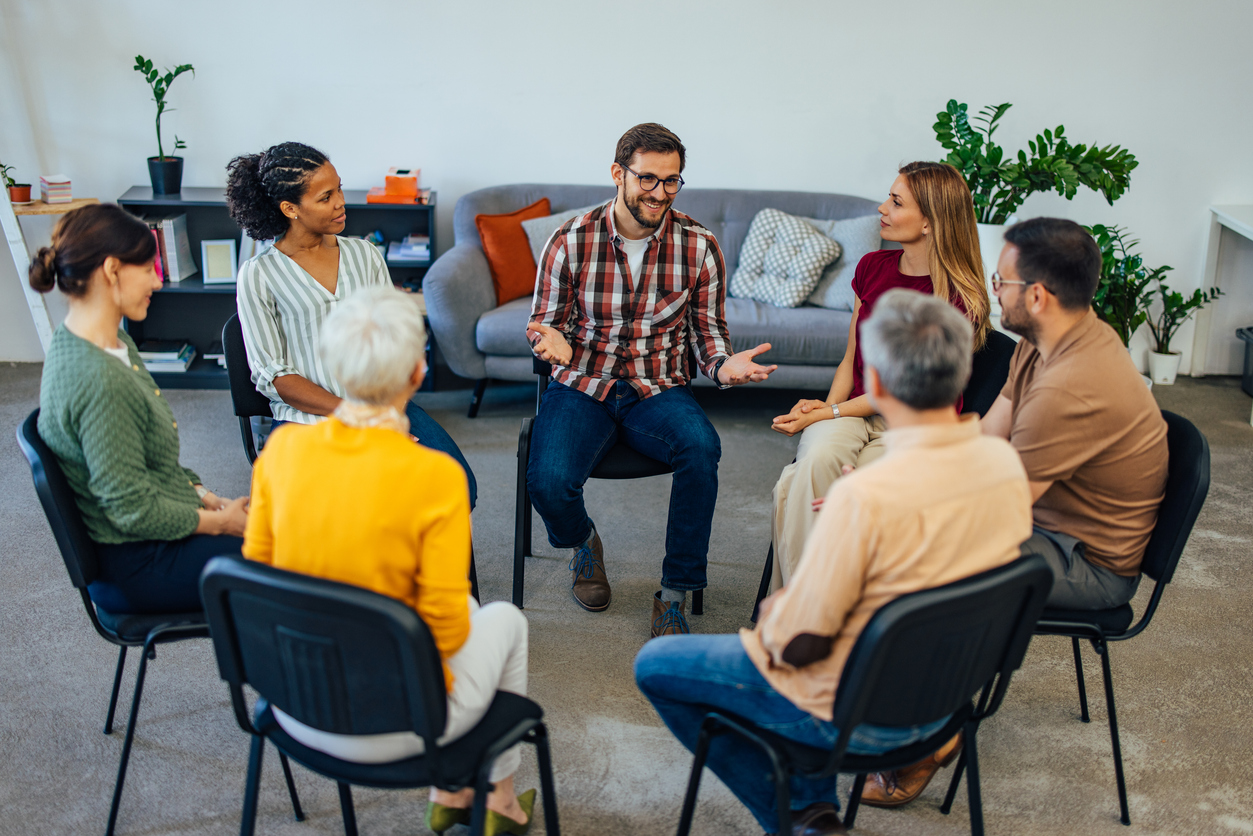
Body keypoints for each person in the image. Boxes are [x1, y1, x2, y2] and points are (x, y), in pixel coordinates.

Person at [635, 290, 1032, 836]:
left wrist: (777, 612)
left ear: (882, 386)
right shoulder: (1003, 468)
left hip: (863, 716)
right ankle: (812, 806)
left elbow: (798, 644)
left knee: (656, 666)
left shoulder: (865, 499)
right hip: (945, 705)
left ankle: (797, 816)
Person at [857, 218, 1169, 810]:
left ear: (1037, 296)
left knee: (936, 555)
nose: (991, 290)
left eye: (1000, 281)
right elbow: (986, 432)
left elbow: (996, 508)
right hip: (1044, 520)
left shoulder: (1073, 385)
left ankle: (929, 733)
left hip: (1088, 559)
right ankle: (897, 702)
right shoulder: (1041, 343)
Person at [243, 286, 533, 835]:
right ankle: (494, 799)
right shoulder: (433, 477)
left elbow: (260, 581)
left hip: (291, 701)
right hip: (399, 720)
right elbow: (444, 634)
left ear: (332, 367)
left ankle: (456, 792)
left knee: (455, 607)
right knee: (504, 620)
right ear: (418, 375)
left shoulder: (280, 452)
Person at [526, 122, 777, 637]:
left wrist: (723, 365)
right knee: (547, 482)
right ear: (618, 174)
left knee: (701, 448)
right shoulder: (569, 241)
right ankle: (583, 543)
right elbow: (544, 321)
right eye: (648, 179)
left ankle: (675, 592)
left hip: (657, 388)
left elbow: (708, 334)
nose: (660, 193)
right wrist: (549, 338)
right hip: (582, 384)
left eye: (672, 181)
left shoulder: (700, 246)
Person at [768, 162, 991, 588]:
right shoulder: (872, 266)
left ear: (930, 221)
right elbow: (851, 356)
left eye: (896, 201)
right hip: (853, 409)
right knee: (814, 462)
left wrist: (826, 413)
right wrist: (826, 407)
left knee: (817, 489)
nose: (881, 208)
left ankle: (808, 617)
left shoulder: (958, 298)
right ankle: (808, 615)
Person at [227, 141, 477, 508]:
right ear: (290, 208)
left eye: (339, 188)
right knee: (347, 510)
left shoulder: (365, 255)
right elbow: (274, 375)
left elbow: (391, 338)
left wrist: (385, 414)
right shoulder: (258, 275)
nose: (340, 201)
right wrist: (352, 414)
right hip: (306, 421)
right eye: (326, 196)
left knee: (455, 487)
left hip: (381, 407)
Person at [31, 204, 248, 613]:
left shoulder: (102, 341)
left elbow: (154, 468)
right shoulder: (99, 379)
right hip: (136, 563)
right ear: (112, 270)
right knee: (291, 563)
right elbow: (131, 510)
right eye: (149, 268)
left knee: (282, 533)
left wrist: (206, 498)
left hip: (149, 534)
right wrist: (222, 524)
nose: (158, 281)